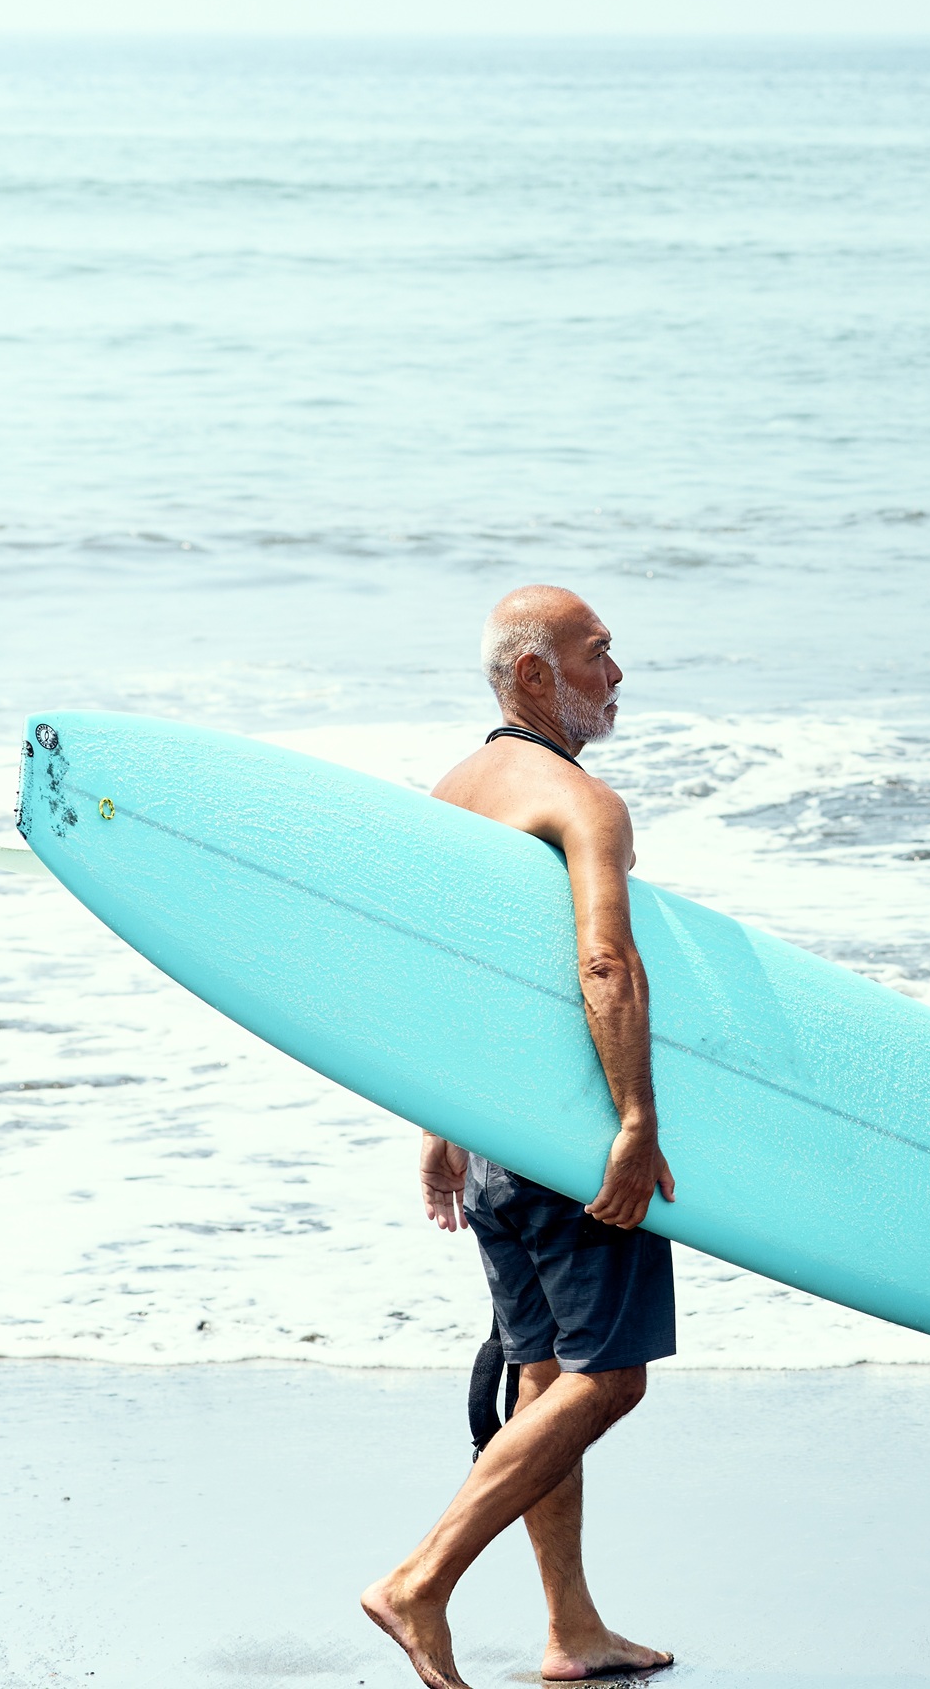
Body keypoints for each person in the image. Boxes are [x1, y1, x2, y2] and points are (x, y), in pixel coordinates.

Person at [362, 584, 677, 1689]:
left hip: (494, 1140)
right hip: (566, 1137)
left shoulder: (452, 793)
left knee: (544, 1382)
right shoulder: (581, 804)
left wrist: (443, 1125)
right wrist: (635, 1120)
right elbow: (603, 964)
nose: (617, 674)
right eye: (598, 654)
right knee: (609, 1382)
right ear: (534, 675)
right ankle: (422, 1580)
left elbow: (442, 982)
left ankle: (570, 1628)